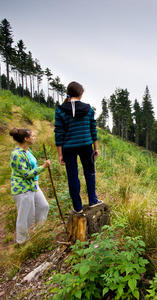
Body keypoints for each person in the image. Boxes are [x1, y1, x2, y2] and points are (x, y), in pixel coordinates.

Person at [54, 81, 103, 213]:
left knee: (72, 176)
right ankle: (93, 200)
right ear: (80, 93)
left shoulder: (60, 110)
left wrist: (60, 154)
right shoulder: (88, 109)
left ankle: (77, 207)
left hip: (68, 148)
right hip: (86, 145)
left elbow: (59, 133)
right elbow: (93, 129)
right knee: (90, 172)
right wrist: (95, 148)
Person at [9, 128, 50, 244]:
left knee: (43, 206)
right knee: (25, 216)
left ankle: (39, 231)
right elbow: (26, 174)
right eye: (32, 136)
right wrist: (43, 167)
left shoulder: (27, 151)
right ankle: (22, 241)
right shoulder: (16, 154)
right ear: (26, 139)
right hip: (22, 188)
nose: (34, 138)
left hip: (33, 185)